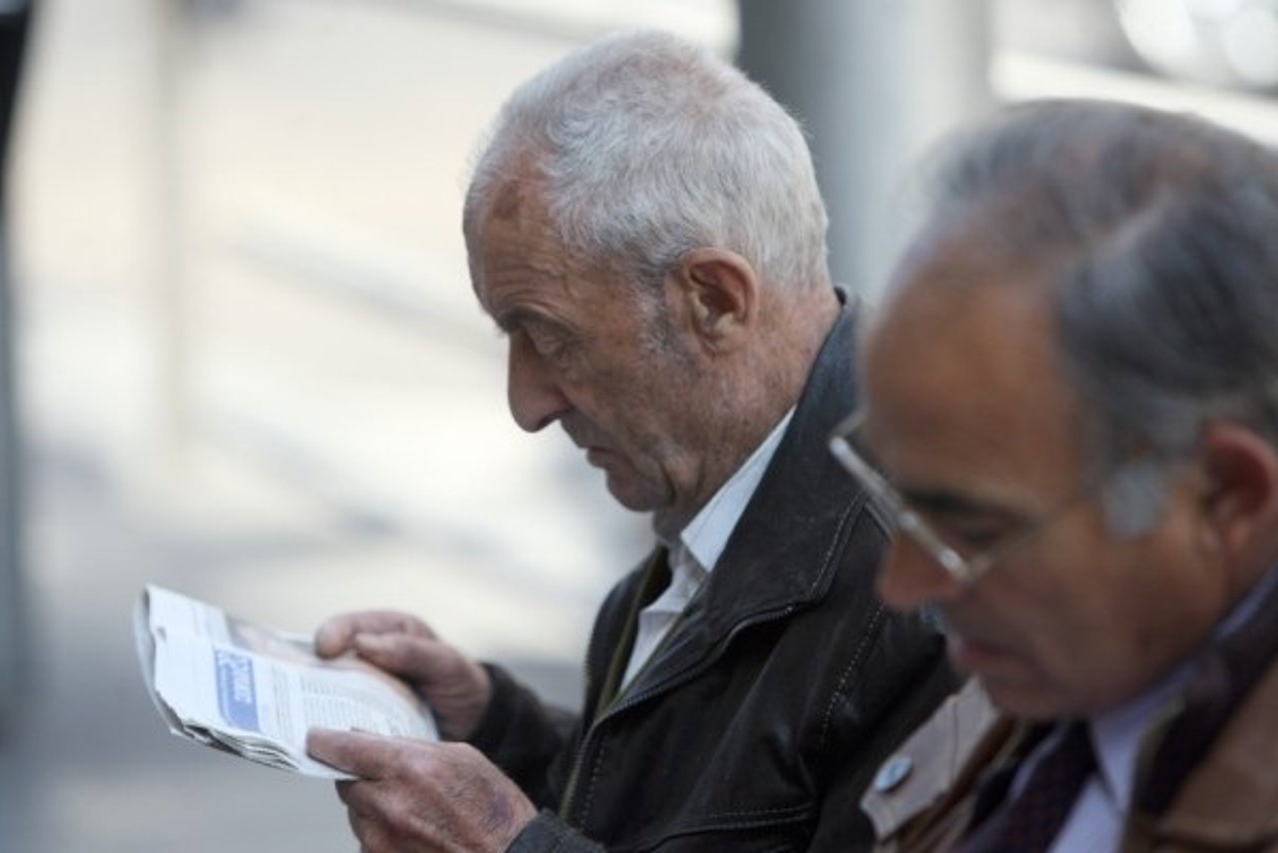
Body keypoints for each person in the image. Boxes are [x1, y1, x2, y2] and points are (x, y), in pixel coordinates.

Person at [304, 28, 957, 853]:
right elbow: (686, 799)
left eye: (550, 337)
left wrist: (509, 846)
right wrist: (492, 723)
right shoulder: (737, 481)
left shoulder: (917, 587)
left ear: (714, 300)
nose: (527, 404)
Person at [835, 99, 1278, 851]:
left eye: (975, 529)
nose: (902, 585)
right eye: (897, 496)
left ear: (1224, 493)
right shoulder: (1087, 666)